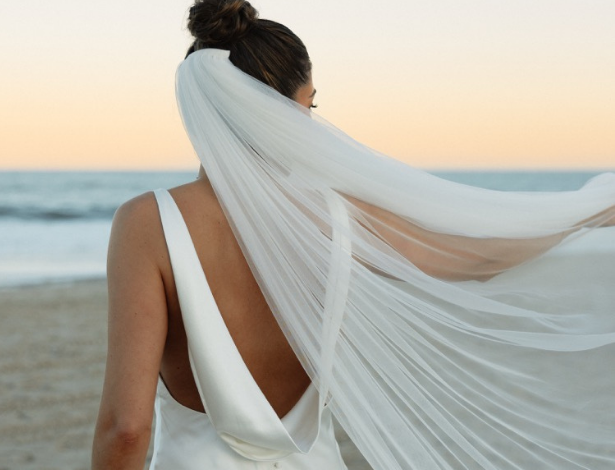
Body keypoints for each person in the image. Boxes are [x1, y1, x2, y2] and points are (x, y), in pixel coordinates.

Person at [92, 1, 615, 469]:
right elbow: (477, 257)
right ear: (280, 110)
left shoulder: (147, 223)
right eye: (310, 104)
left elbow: (126, 429)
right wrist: (586, 215)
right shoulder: (338, 217)